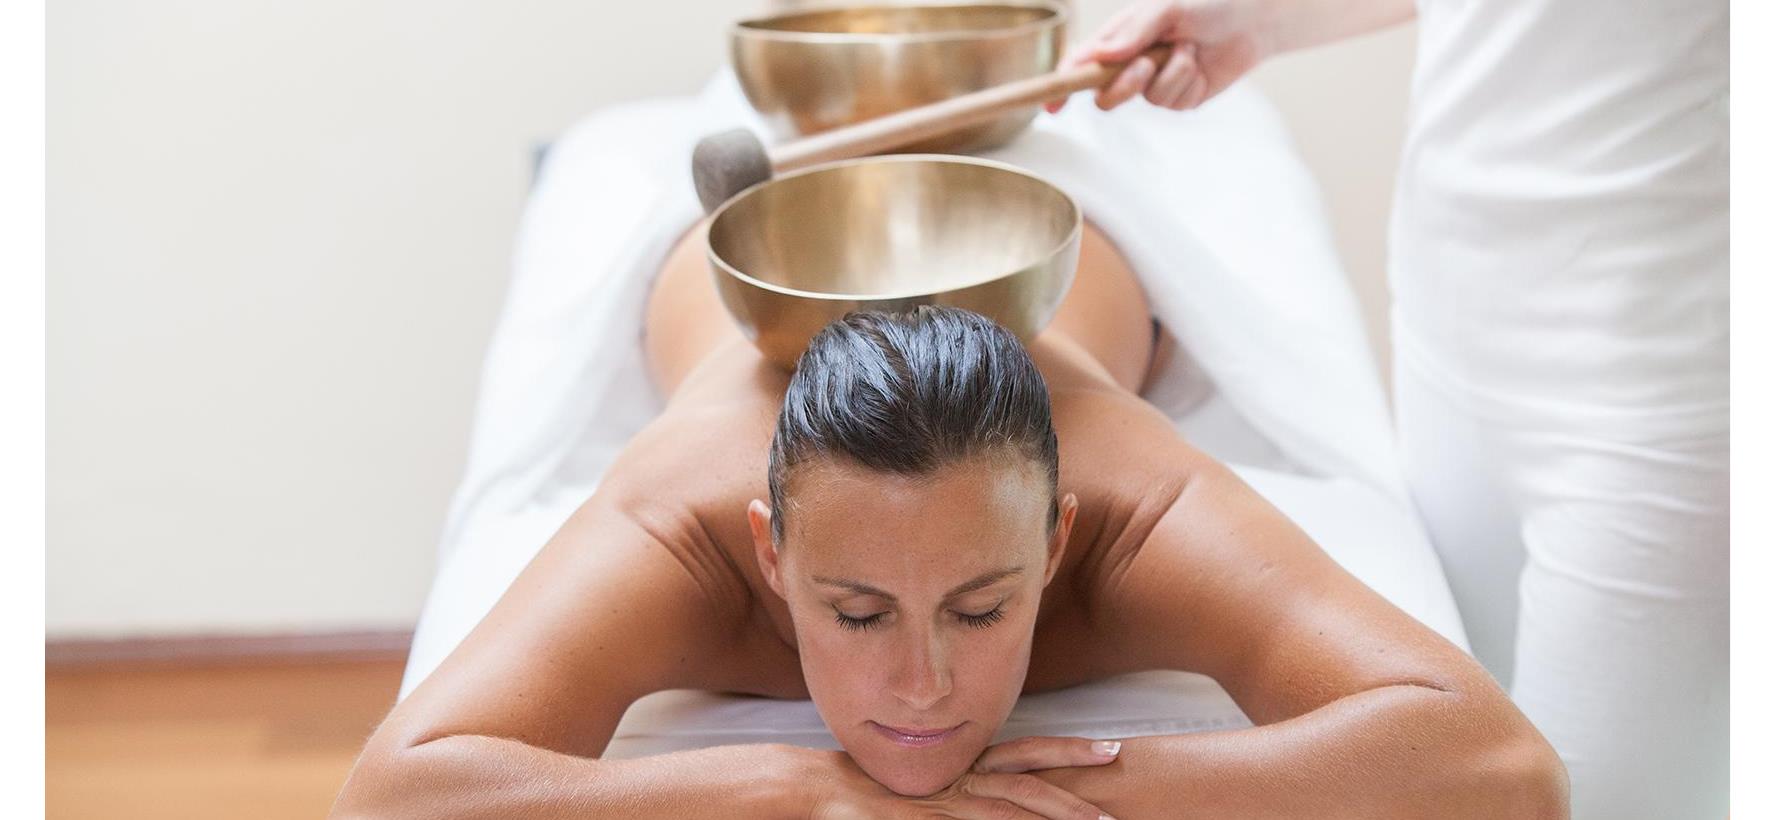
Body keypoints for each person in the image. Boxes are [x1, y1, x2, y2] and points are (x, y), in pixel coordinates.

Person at [332, 218, 1566, 818]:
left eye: (980, 606)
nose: (919, 682)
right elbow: (390, 797)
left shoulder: (1139, 515)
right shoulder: (681, 534)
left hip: (1070, 275)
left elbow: (1503, 767)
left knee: (1088, 245)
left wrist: (1102, 786)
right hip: (726, 297)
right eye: (854, 608)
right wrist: (797, 790)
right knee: (743, 215)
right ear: (772, 550)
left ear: (1055, 543)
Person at [1053, 1, 1729, 817]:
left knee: (1604, 802)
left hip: (1673, 377)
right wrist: (1266, 24)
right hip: (1454, 326)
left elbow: (1506, 777)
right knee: (1481, 674)